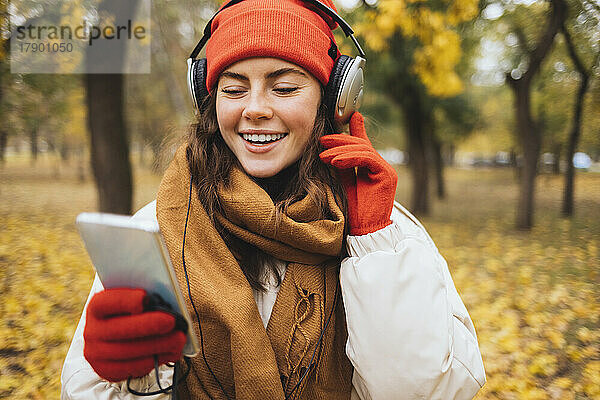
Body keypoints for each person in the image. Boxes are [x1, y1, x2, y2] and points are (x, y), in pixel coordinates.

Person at [61, 0, 486, 399]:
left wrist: (374, 243)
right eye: (234, 89)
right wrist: (125, 380)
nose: (255, 108)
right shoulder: (154, 231)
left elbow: (423, 391)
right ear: (209, 101)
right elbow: (82, 389)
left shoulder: (387, 234)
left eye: (283, 87)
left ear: (334, 99)